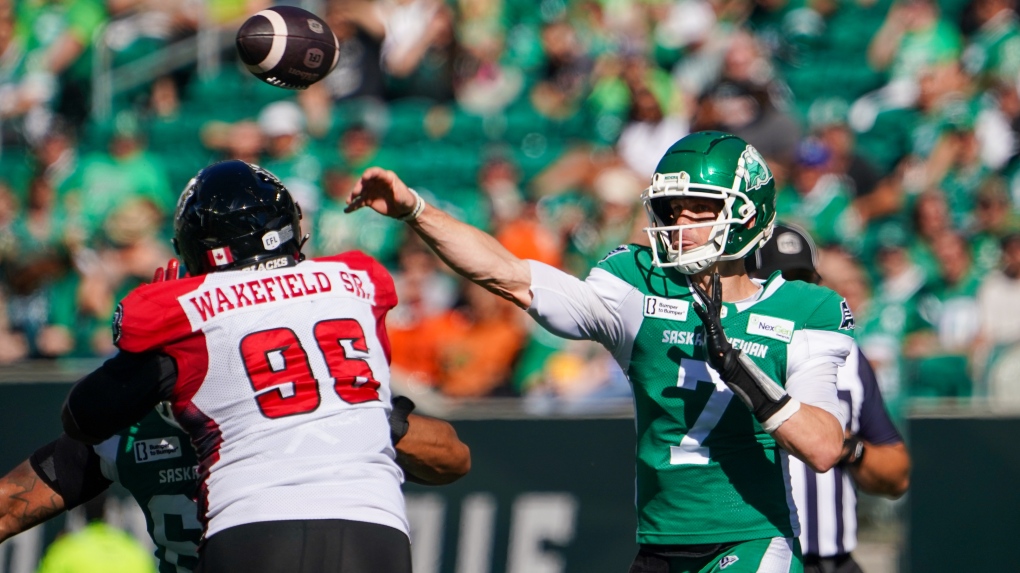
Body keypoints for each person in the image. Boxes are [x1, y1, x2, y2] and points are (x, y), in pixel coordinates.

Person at [349, 130, 857, 571]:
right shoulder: (637, 284)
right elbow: (508, 274)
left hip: (751, 538)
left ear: (747, 213)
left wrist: (741, 372)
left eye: (699, 208)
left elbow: (822, 445)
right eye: (672, 208)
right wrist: (416, 210)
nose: (679, 222)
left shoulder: (805, 308)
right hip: (658, 545)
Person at [57, 160, 467, 573]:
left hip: (253, 523)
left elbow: (82, 417)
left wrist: (161, 347)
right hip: (376, 527)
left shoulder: (190, 309)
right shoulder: (354, 279)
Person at [747, 223, 911, 573]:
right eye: (779, 283)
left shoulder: (846, 356)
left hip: (832, 562)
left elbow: (897, 474)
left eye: (802, 281)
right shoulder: (729, 356)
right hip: (754, 559)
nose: (793, 296)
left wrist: (850, 448)